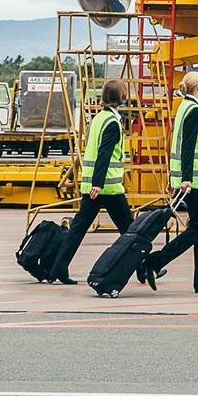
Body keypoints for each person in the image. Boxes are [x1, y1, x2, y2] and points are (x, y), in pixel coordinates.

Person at [45, 79, 134, 285]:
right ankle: (144, 268)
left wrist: (93, 183)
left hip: (92, 185)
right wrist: (99, 183)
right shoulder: (113, 123)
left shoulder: (98, 119)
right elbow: (104, 154)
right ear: (121, 97)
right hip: (107, 187)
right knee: (130, 231)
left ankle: (58, 268)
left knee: (77, 229)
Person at [145, 71, 198, 294]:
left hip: (192, 181)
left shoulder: (185, 108)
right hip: (193, 182)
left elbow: (177, 147)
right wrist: (185, 179)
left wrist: (174, 179)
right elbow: (187, 149)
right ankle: (155, 262)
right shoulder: (194, 111)